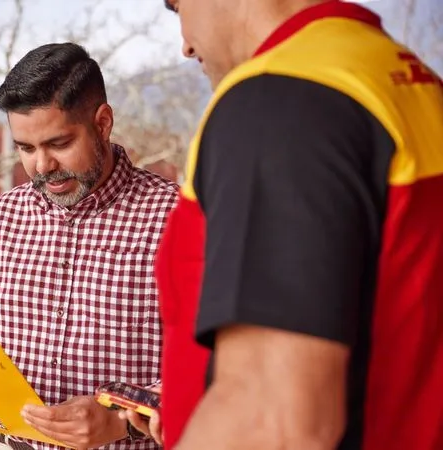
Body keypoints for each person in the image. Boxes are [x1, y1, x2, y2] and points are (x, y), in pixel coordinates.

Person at [125, 0, 443, 449]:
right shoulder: (407, 80)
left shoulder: (278, 103)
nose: (185, 45)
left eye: (179, 7)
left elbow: (271, 423)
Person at [0, 42, 178, 450]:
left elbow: (222, 367)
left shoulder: (179, 220)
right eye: (26, 148)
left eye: (59, 144)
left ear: (103, 122)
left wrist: (120, 423)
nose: (42, 166)